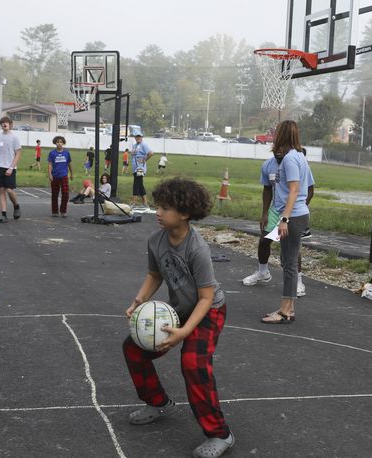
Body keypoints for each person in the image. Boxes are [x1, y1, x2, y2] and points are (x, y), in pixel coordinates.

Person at [122, 177, 234, 458]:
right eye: (158, 205)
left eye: (166, 208)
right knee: (133, 348)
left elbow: (206, 298)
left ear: (184, 214)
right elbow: (155, 274)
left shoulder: (197, 249)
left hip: (209, 311)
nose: (158, 212)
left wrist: (183, 334)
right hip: (180, 310)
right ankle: (158, 402)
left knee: (193, 362)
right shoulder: (155, 240)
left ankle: (220, 434)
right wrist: (138, 302)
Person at [260, 120, 313, 324]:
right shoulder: (300, 156)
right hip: (297, 214)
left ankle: (284, 311)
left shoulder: (290, 159)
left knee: (289, 264)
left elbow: (294, 191)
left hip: (293, 216)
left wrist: (284, 219)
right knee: (287, 261)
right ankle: (288, 308)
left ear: (281, 135)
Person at [242, 149, 314, 297]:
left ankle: (298, 281)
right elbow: (267, 189)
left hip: (293, 210)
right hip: (276, 210)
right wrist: (264, 213)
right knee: (264, 240)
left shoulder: (296, 161)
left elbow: (310, 189)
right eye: (276, 147)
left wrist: (301, 208)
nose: (279, 151)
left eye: (282, 147)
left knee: (291, 248)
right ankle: (263, 272)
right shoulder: (268, 165)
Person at [0, 116, 22, 223]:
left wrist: (11, 167)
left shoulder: (14, 138)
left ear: (10, 124)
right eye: (3, 122)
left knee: (9, 190)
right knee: (1, 191)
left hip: (10, 167)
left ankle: (16, 206)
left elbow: (18, 154)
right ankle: (4, 214)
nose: (5, 124)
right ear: (1, 125)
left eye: (6, 122)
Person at [47, 135, 73, 217]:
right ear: (55, 143)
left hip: (64, 175)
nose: (59, 143)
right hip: (55, 176)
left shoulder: (66, 153)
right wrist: (50, 174)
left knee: (65, 193)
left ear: (63, 143)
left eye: (61, 142)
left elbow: (69, 163)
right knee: (55, 194)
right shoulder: (52, 153)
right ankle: (55, 211)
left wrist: (72, 174)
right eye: (57, 142)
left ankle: (63, 210)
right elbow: (50, 164)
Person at [130, 134, 153, 208]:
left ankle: (133, 202)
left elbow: (151, 153)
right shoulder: (134, 146)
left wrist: (144, 159)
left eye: (139, 137)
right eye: (137, 137)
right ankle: (145, 203)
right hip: (135, 167)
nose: (138, 138)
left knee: (136, 183)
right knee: (140, 184)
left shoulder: (143, 145)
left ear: (142, 137)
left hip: (140, 168)